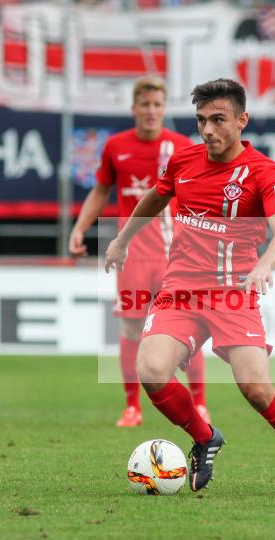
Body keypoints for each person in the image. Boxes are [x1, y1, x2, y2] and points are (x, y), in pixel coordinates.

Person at [104, 78, 275, 495]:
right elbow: (154, 198)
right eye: (201, 120)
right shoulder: (183, 162)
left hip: (234, 291)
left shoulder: (264, 172)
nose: (208, 130)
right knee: (151, 369)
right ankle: (204, 437)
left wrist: (265, 265)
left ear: (242, 120)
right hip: (180, 286)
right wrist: (122, 239)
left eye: (218, 120)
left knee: (256, 389)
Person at [70, 76, 208, 428]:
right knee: (132, 330)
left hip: (175, 257)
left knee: (186, 329)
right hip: (131, 256)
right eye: (144, 104)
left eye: (157, 105)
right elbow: (101, 191)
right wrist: (80, 228)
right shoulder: (116, 146)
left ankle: (200, 403)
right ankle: (133, 407)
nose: (151, 111)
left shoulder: (180, 147)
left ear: (164, 109)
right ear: (134, 108)